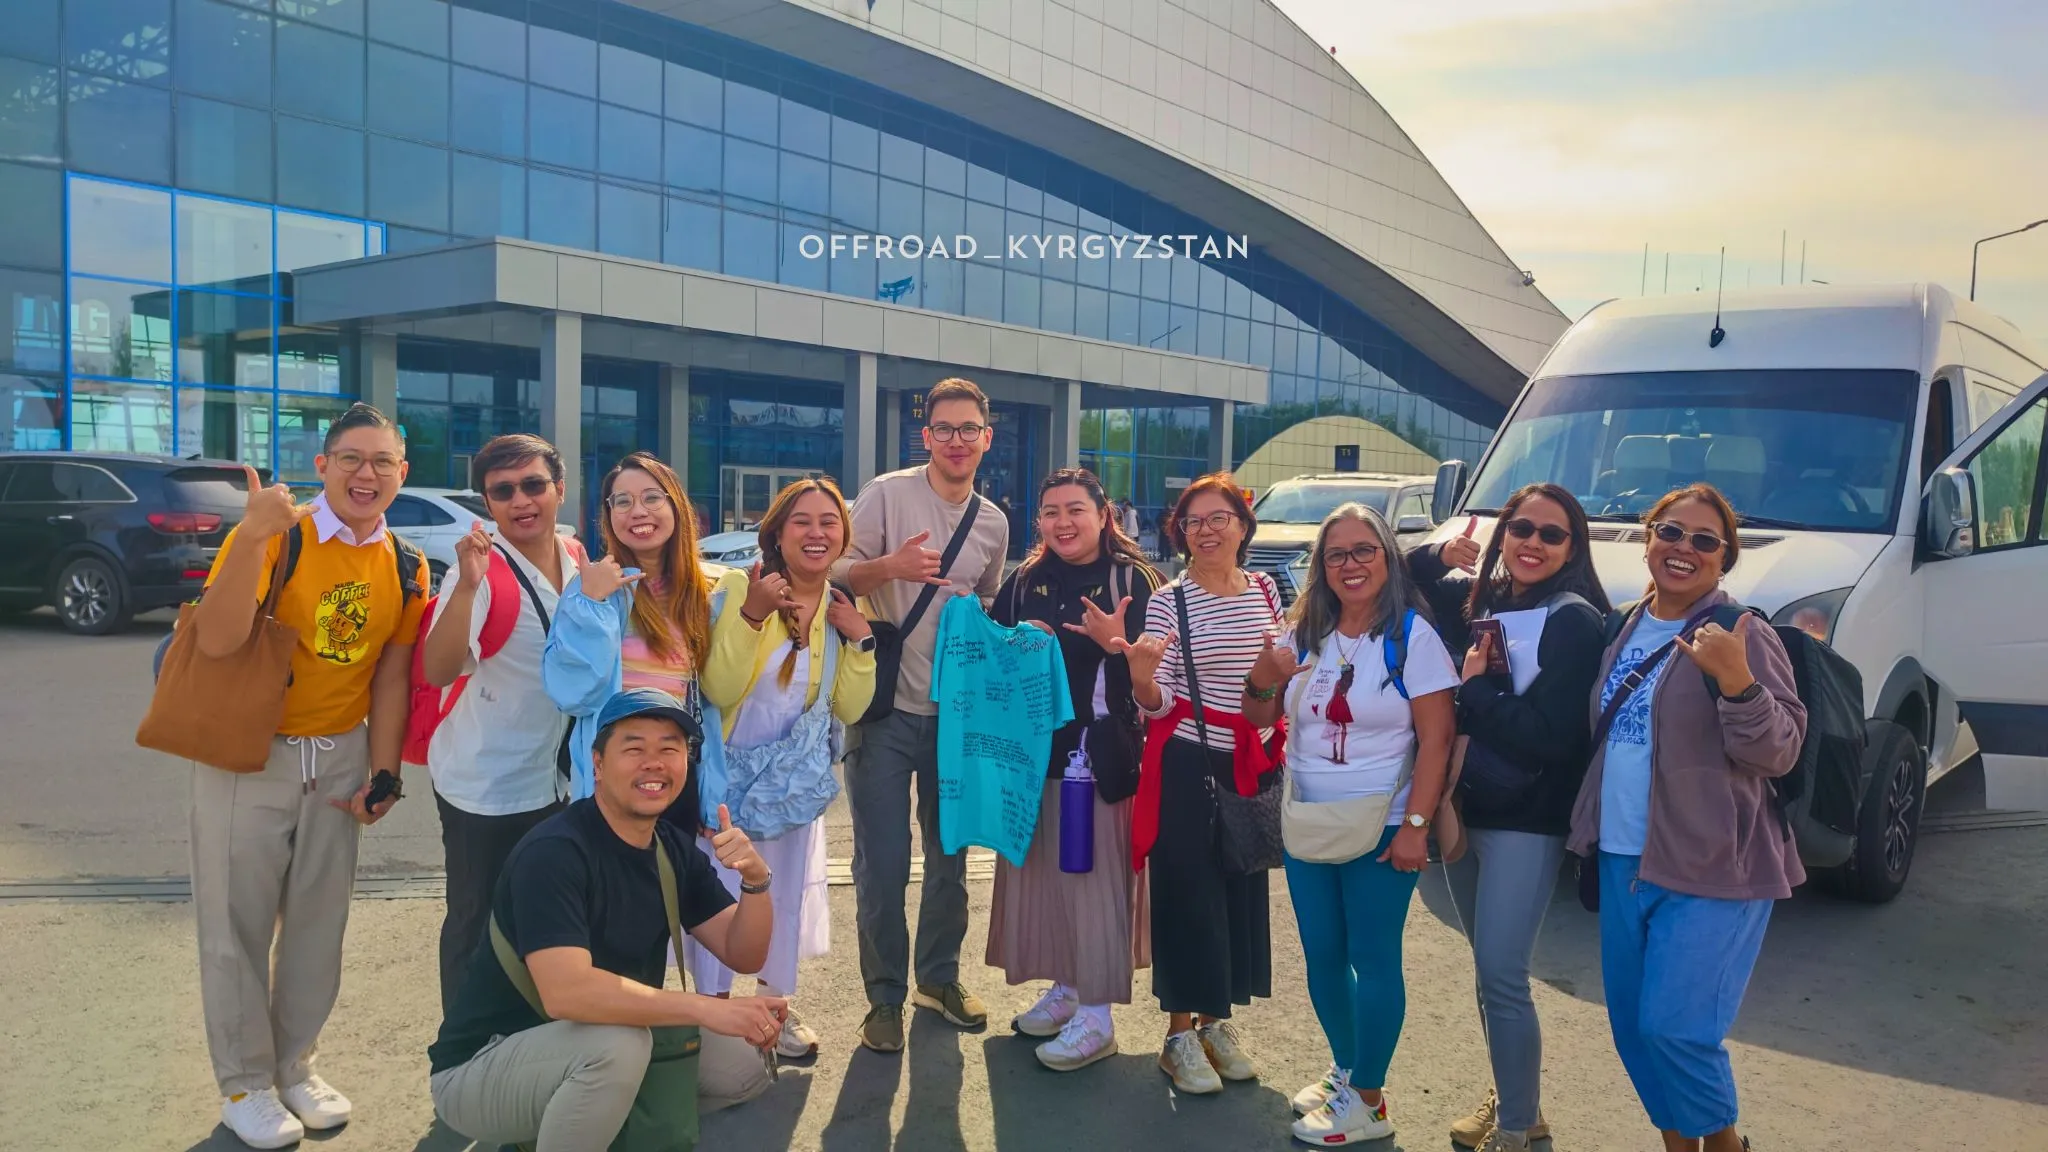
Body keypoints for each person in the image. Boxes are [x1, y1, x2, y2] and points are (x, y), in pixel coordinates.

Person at [187, 402, 428, 1149]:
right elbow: (220, 639)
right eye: (351, 458)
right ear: (321, 466)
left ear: (402, 473)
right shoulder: (277, 536)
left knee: (319, 925)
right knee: (237, 925)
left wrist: (383, 772)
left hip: (341, 754)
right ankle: (244, 1083)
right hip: (252, 751)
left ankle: (295, 1066)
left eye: (382, 461)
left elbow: (391, 676)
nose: (367, 474)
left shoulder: (405, 563)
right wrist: (253, 530)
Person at [427, 686, 787, 1151]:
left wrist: (756, 881)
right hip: (484, 1065)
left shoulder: (669, 846)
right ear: (596, 764)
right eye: (634, 748)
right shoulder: (555, 852)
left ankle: (589, 1123)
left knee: (744, 1059)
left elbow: (744, 953)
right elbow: (567, 993)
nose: (653, 762)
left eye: (669, 749)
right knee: (617, 1049)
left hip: (588, 1043)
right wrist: (707, 1007)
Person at [1568, 483, 1807, 1152]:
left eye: (1705, 541)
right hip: (1621, 856)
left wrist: (1740, 683)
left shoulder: (1742, 632)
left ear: (1723, 558)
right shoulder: (1620, 625)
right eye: (1671, 532)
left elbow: (1780, 751)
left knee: (1678, 1029)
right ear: (1647, 538)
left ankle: (1726, 1145)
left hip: (1714, 864)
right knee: (1635, 1031)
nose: (1684, 549)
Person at [1239, 504, 1458, 1146]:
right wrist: (1263, 677)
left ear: (1387, 557)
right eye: (1336, 554)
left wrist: (1416, 824)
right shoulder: (1306, 631)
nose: (1350, 564)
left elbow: (1437, 741)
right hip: (1308, 819)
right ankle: (1347, 1070)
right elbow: (1256, 716)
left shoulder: (1412, 636)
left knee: (1373, 957)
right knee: (1324, 958)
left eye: (1364, 550)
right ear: (1321, 566)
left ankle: (1369, 1100)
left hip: (1384, 823)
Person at [1406, 485, 1612, 1152]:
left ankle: (1520, 1127)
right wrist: (1439, 551)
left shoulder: (1576, 620)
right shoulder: (1485, 600)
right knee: (1489, 971)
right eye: (1520, 528)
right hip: (1468, 808)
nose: (1532, 542)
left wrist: (1474, 688)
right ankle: (1514, 1097)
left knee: (1501, 970)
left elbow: (1552, 736)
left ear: (1573, 548)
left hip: (1528, 819)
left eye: (1552, 534)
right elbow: (1398, 580)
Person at [833, 377, 1011, 1053]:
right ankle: (883, 997)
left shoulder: (992, 521)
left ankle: (938, 979)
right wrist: (891, 565)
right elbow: (836, 571)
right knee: (882, 862)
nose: (957, 440)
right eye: (945, 429)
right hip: (882, 710)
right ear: (926, 437)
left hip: (956, 719)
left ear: (986, 439)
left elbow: (987, 606)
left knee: (950, 860)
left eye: (970, 429)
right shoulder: (887, 493)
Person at [693, 478, 878, 1058]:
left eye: (829, 523)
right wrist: (752, 615)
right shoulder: (735, 586)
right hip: (730, 776)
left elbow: (849, 708)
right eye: (802, 521)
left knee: (784, 894)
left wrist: (863, 642)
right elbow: (716, 687)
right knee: (720, 894)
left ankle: (776, 1009)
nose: (816, 533)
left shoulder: (841, 605)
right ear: (775, 531)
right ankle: (714, 1014)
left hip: (792, 785)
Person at [986, 468, 1160, 1072]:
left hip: (1100, 759)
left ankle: (1097, 1015)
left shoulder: (1129, 579)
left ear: (1104, 514)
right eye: (1051, 511)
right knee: (1051, 881)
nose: (1064, 522)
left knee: (1093, 883)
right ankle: (1066, 988)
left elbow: (1156, 680)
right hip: (1037, 760)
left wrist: (1118, 645)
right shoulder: (1025, 581)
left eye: (1076, 510)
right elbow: (994, 664)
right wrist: (1015, 644)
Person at [1124, 472, 1279, 1095]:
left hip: (1253, 759)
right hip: (1188, 762)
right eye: (1193, 523)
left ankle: (1218, 1023)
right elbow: (1158, 706)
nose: (1206, 532)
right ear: (1179, 534)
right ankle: (1178, 1035)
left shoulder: (1267, 588)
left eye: (1219, 519)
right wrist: (1141, 680)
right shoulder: (1171, 600)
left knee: (1239, 890)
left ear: (1243, 525)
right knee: (1189, 895)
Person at [419, 434, 581, 1013]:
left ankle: (526, 1041)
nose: (521, 501)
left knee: (542, 919)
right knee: (474, 922)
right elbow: (438, 669)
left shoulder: (577, 559)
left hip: (558, 783)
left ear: (559, 489)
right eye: (503, 491)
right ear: (489, 503)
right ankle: (461, 1060)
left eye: (534, 485)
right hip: (484, 787)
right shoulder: (481, 572)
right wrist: (464, 584)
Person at [543, 452, 720, 811]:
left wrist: (710, 793)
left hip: (677, 768)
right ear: (609, 515)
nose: (638, 511)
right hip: (614, 772)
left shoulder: (706, 591)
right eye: (622, 501)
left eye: (652, 498)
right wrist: (591, 604)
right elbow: (573, 694)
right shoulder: (591, 589)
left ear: (676, 506)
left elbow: (711, 704)